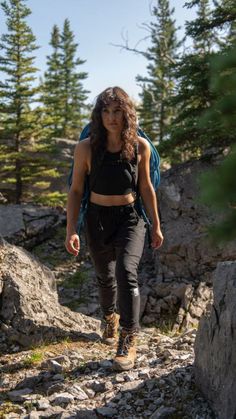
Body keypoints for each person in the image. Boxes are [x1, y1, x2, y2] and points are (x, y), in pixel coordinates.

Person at [65, 86, 163, 371]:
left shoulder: (140, 147)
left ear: (126, 113)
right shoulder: (85, 148)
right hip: (96, 218)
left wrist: (156, 225)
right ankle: (110, 317)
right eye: (106, 111)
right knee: (105, 277)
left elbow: (146, 187)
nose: (111, 117)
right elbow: (75, 191)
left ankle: (128, 340)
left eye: (117, 111)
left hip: (130, 218)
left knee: (126, 273)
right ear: (98, 115)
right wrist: (72, 229)